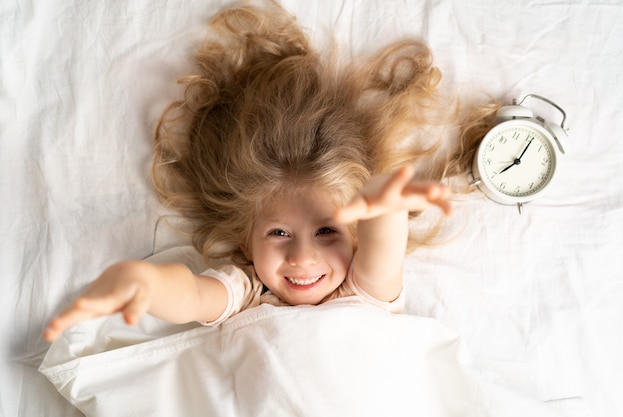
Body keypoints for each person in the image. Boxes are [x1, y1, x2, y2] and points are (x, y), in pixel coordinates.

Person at [43, 0, 492, 342]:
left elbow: (383, 250)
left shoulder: (363, 294)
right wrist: (145, 283)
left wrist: (384, 207)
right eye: (278, 234)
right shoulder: (248, 291)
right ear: (245, 240)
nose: (301, 258)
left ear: (356, 236)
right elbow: (193, 296)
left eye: (328, 232)